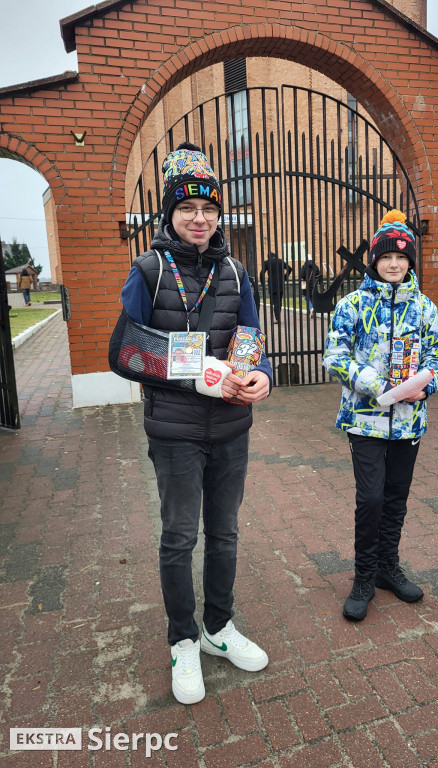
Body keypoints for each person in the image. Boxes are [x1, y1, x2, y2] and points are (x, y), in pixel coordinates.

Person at [120, 142, 273, 704]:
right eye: (187, 209)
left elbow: (253, 341)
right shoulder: (149, 269)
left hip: (232, 429)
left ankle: (218, 628)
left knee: (226, 532)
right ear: (170, 213)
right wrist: (195, 374)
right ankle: (183, 639)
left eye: (208, 208)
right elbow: (125, 350)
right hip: (176, 431)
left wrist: (262, 377)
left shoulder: (235, 270)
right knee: (181, 537)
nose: (199, 218)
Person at [323, 209, 438, 621]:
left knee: (396, 497)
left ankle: (388, 568)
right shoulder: (352, 306)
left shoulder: (425, 308)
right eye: (387, 257)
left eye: (402, 257)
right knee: (371, 497)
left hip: (409, 420)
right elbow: (334, 356)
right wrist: (374, 383)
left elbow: (437, 359)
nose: (394, 264)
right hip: (365, 419)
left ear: (410, 261)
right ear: (375, 260)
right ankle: (364, 575)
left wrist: (427, 384)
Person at [260, 251, 292, 323]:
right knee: (279, 301)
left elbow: (262, 273)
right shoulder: (280, 261)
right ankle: (278, 316)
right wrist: (285, 277)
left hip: (272, 284)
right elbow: (289, 268)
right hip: (280, 284)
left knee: (275, 301)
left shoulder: (267, 262)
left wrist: (262, 283)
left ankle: (277, 318)